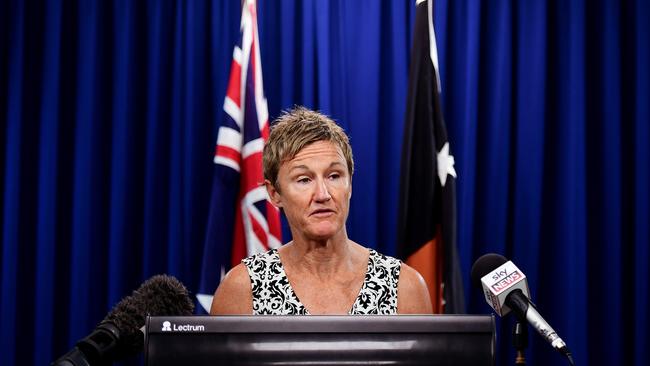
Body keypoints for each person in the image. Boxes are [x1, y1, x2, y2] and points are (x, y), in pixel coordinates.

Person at [210, 106, 432, 315]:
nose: (323, 194)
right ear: (274, 193)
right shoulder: (242, 290)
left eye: (334, 176)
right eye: (304, 180)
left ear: (350, 185)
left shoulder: (404, 288)